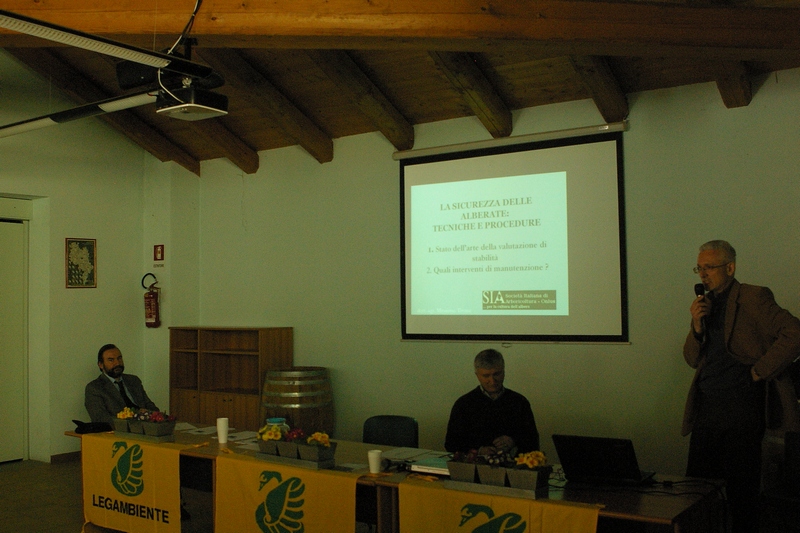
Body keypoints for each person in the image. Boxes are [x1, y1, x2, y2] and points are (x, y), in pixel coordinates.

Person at [682, 240, 800, 533]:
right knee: (696, 491)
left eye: (709, 267)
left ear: (730, 268)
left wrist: (759, 372)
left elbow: (795, 333)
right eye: (699, 268)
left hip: (741, 410)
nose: (703, 274)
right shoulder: (705, 305)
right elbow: (690, 358)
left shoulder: (753, 297)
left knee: (741, 493)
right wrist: (696, 325)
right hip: (707, 408)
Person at [445, 349, 539, 455]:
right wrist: (478, 450)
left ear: (504, 372)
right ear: (477, 376)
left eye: (496, 374)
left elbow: (533, 443)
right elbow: (451, 444)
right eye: (486, 376)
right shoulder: (463, 404)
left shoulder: (519, 402)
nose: (492, 381)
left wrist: (513, 441)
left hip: (514, 467)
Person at [85, 343, 159, 424]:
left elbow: (152, 407)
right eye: (111, 360)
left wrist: (148, 414)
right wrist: (135, 417)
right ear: (101, 365)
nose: (117, 363)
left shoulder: (133, 380)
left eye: (119, 358)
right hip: (116, 433)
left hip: (145, 428)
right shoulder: (95, 388)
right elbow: (100, 419)